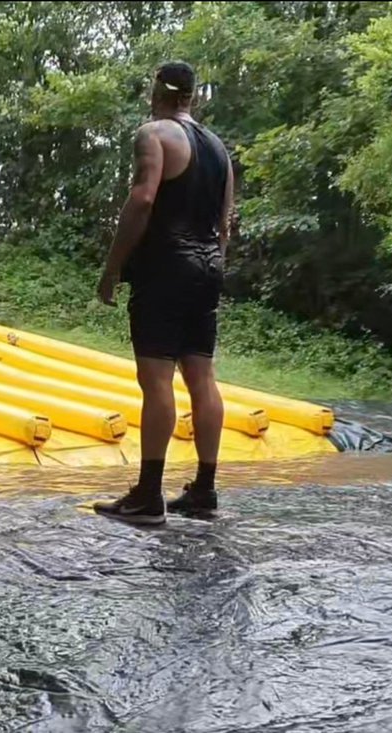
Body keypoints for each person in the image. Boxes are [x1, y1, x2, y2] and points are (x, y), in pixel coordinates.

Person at [94, 61, 234, 525]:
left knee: (156, 381)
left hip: (166, 267)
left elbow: (143, 199)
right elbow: (224, 223)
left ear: (158, 90)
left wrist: (113, 267)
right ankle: (204, 491)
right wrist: (214, 267)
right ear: (191, 96)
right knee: (202, 376)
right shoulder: (219, 150)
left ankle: (148, 495)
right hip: (208, 268)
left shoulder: (153, 134)